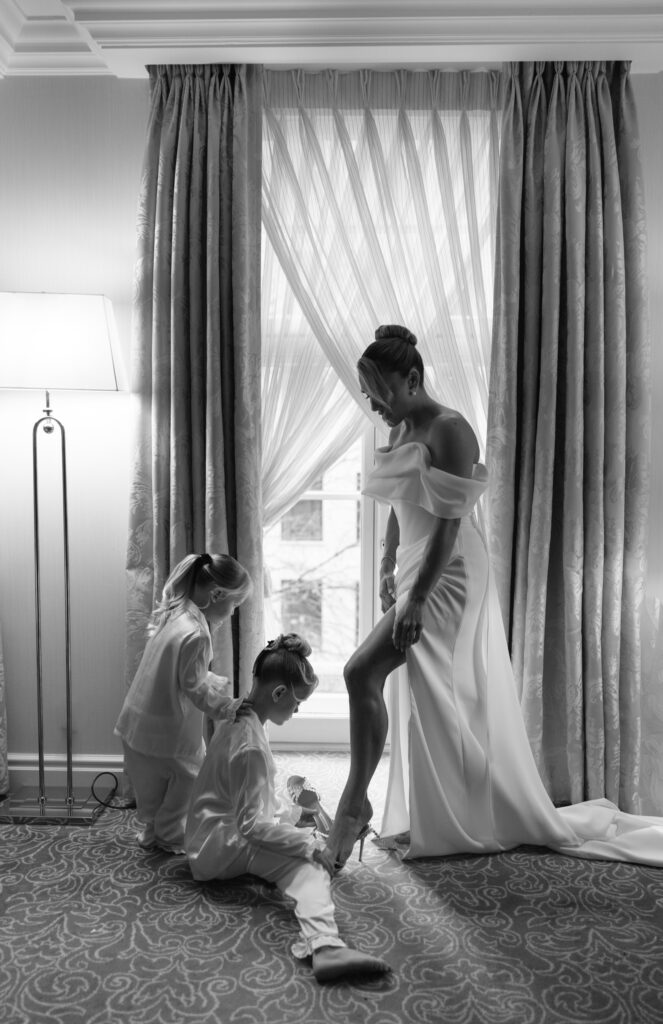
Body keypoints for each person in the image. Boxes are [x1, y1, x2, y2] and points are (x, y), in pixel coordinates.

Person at [323, 324, 663, 871]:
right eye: (369, 397)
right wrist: (389, 564)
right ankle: (430, 809)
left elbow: (449, 526)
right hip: (415, 563)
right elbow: (397, 502)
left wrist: (415, 597)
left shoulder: (451, 430)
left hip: (450, 571)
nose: (376, 406)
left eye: (382, 394)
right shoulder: (401, 426)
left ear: (412, 378)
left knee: (365, 672)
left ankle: (354, 804)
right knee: (421, 690)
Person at [185, 633, 391, 983]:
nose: (297, 711)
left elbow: (246, 801)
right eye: (297, 704)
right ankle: (326, 946)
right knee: (311, 866)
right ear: (279, 693)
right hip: (220, 845)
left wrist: (291, 823)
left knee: (290, 821)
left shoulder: (239, 715)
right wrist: (308, 847)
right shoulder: (250, 746)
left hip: (208, 832)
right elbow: (251, 827)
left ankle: (301, 839)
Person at [115, 552, 252, 854]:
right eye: (234, 605)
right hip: (167, 732)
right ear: (217, 595)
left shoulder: (176, 614)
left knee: (155, 787)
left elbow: (178, 671)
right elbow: (194, 689)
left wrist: (210, 678)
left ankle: (153, 831)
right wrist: (228, 708)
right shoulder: (197, 634)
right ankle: (168, 835)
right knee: (188, 778)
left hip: (137, 723)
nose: (232, 613)